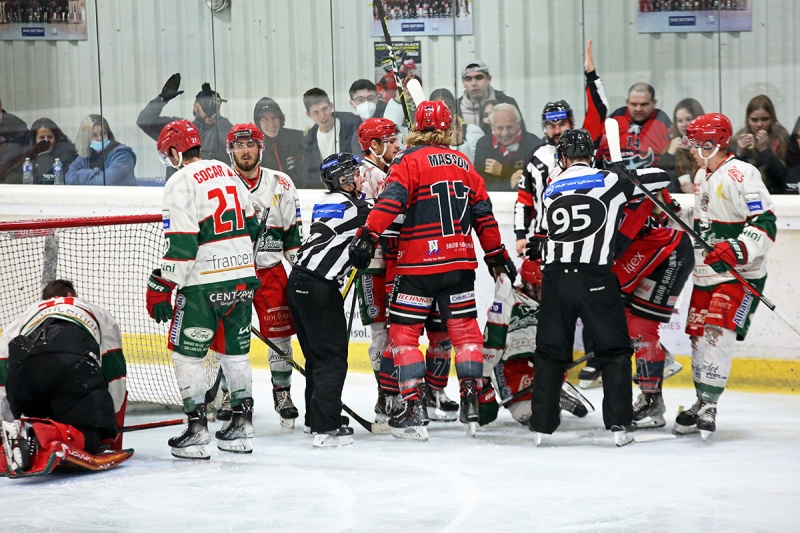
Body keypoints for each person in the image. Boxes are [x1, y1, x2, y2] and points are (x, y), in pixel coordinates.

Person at [348, 100, 516, 441]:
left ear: (416, 127)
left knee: (404, 334)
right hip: (459, 264)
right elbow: (484, 215)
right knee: (465, 333)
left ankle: (414, 406)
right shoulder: (465, 163)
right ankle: (470, 398)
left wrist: (367, 236)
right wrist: (495, 254)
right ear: (447, 128)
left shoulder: (408, 161)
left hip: (417, 265)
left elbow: (390, 202)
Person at [529, 128, 670, 447]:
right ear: (590, 156)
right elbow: (661, 178)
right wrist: (624, 173)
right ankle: (620, 426)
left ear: (562, 157)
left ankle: (541, 427)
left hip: (555, 280)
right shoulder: (609, 180)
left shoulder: (551, 188)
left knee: (550, 353)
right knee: (614, 351)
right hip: (595, 278)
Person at [145, 119, 259, 459]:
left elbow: (182, 244)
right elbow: (253, 225)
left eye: (168, 154)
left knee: (187, 355)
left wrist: (163, 284)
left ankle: (196, 431)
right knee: (235, 355)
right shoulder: (227, 171)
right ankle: (242, 428)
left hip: (203, 286)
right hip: (242, 279)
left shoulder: (179, 182)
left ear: (176, 151)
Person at [675, 113, 776, 440]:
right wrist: (677, 212)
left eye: (696, 144)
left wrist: (738, 248)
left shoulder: (741, 173)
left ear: (711, 144)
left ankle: (710, 406)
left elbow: (765, 222)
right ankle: (701, 400)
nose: (691, 150)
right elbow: (705, 220)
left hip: (739, 275)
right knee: (698, 337)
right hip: (706, 273)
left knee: (717, 333)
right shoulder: (703, 174)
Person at [0, 280, 128, 475]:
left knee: (46, 416)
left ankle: (21, 432)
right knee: (90, 437)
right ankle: (33, 432)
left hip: (23, 371)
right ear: (70, 295)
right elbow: (114, 372)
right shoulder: (96, 312)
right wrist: (108, 424)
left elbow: (3, 368)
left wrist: (7, 422)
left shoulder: (25, 316)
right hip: (70, 362)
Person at [287, 152, 371, 448]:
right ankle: (326, 429)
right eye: (356, 173)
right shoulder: (358, 208)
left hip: (297, 282)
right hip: (319, 287)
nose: (362, 177)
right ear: (343, 179)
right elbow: (390, 215)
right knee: (331, 358)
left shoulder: (326, 202)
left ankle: (315, 419)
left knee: (316, 357)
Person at [226, 123, 303, 429]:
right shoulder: (222, 182)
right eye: (239, 145)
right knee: (229, 338)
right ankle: (230, 395)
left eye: (251, 145)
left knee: (279, 336)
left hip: (270, 272)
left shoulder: (280, 182)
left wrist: (303, 272)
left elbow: (293, 236)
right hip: (231, 273)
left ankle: (282, 393)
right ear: (231, 150)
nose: (245, 151)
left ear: (261, 147)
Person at [479, 260, 594, 427]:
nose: (547, 291)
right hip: (512, 365)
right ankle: (551, 395)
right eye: (541, 287)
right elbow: (493, 339)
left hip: (542, 363)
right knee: (527, 416)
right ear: (529, 286)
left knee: (548, 415)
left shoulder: (556, 300)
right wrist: (483, 380)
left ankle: (554, 391)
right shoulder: (509, 298)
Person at [514, 100, 575, 257]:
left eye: (562, 124)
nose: (557, 131)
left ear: (571, 124)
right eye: (551, 126)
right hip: (543, 237)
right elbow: (524, 199)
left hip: (577, 235)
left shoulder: (584, 154)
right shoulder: (536, 156)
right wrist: (520, 235)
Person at [137, 74, 233, 173]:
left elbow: (230, 141)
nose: (211, 112)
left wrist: (214, 116)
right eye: (205, 107)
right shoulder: (179, 129)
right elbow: (144, 121)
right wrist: (161, 100)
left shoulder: (223, 128)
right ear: (195, 107)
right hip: (178, 183)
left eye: (215, 108)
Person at [593, 82, 672, 171]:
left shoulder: (663, 124)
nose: (638, 109)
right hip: (612, 178)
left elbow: (673, 160)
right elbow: (596, 156)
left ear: (654, 103)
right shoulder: (613, 121)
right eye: (634, 104)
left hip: (651, 179)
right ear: (627, 102)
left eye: (644, 104)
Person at [301, 87, 361, 189]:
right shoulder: (308, 141)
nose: (322, 116)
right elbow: (310, 177)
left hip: (354, 187)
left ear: (331, 106)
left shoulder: (352, 125)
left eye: (324, 109)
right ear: (309, 114)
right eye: (316, 112)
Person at [474, 103, 541, 191]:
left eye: (509, 127)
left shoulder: (533, 143)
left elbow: (537, 181)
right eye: (500, 128)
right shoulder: (483, 144)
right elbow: (479, 185)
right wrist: (509, 183)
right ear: (491, 126)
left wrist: (503, 171)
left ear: (518, 124)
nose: (504, 133)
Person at [732, 95, 790, 194]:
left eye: (765, 119)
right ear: (748, 120)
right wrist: (739, 154)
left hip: (775, 194)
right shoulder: (738, 138)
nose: (759, 124)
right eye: (754, 120)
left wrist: (765, 150)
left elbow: (783, 176)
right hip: (746, 194)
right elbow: (731, 176)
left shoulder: (782, 136)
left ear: (772, 119)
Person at [1, 117, 77, 184]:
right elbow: (11, 177)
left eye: (49, 137)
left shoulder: (65, 153)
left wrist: (44, 155)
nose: (46, 140)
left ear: (55, 138)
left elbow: (52, 180)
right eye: (42, 138)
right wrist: (34, 180)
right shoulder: (30, 154)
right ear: (35, 140)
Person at [66, 114, 137, 186]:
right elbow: (69, 178)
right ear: (86, 138)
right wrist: (98, 174)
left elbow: (106, 182)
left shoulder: (123, 155)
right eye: (94, 135)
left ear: (108, 134)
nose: (100, 138)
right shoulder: (86, 155)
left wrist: (83, 177)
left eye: (103, 133)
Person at [457, 60, 526, 132]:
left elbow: (522, 134)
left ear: (489, 79)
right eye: (468, 79)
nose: (474, 83)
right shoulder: (456, 108)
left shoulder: (506, 102)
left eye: (479, 78)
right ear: (463, 83)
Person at [252, 97, 305, 183]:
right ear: (258, 123)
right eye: (265, 119)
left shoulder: (297, 138)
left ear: (280, 119)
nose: (271, 124)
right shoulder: (254, 147)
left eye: (274, 117)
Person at [658, 98, 705, 193]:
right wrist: (669, 155)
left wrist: (697, 190)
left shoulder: (709, 147)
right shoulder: (672, 148)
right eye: (679, 121)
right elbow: (663, 182)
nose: (684, 124)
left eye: (688, 119)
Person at [430, 87, 484, 163]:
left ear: (455, 108)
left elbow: (473, 165)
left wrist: (459, 144)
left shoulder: (472, 131)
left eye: (447, 108)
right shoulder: (421, 135)